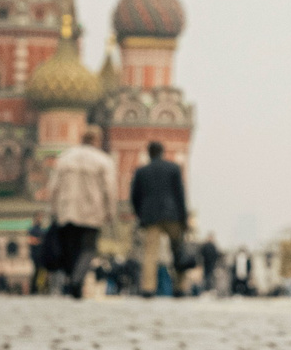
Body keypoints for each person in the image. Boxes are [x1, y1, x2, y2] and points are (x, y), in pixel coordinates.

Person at [44, 127, 116, 297]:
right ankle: (77, 280)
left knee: (70, 248)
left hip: (67, 211)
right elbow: (110, 190)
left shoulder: (65, 158)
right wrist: (110, 212)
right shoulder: (103, 160)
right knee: (88, 249)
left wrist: (53, 210)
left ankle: (71, 279)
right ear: (97, 140)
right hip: (92, 212)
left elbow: (53, 187)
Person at [129, 142, 187, 297]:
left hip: (150, 217)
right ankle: (180, 286)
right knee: (178, 251)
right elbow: (180, 195)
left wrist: (140, 214)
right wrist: (184, 218)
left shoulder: (142, 171)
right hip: (172, 215)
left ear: (149, 153)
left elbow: (135, 196)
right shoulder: (173, 168)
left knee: (150, 253)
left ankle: (148, 288)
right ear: (162, 152)